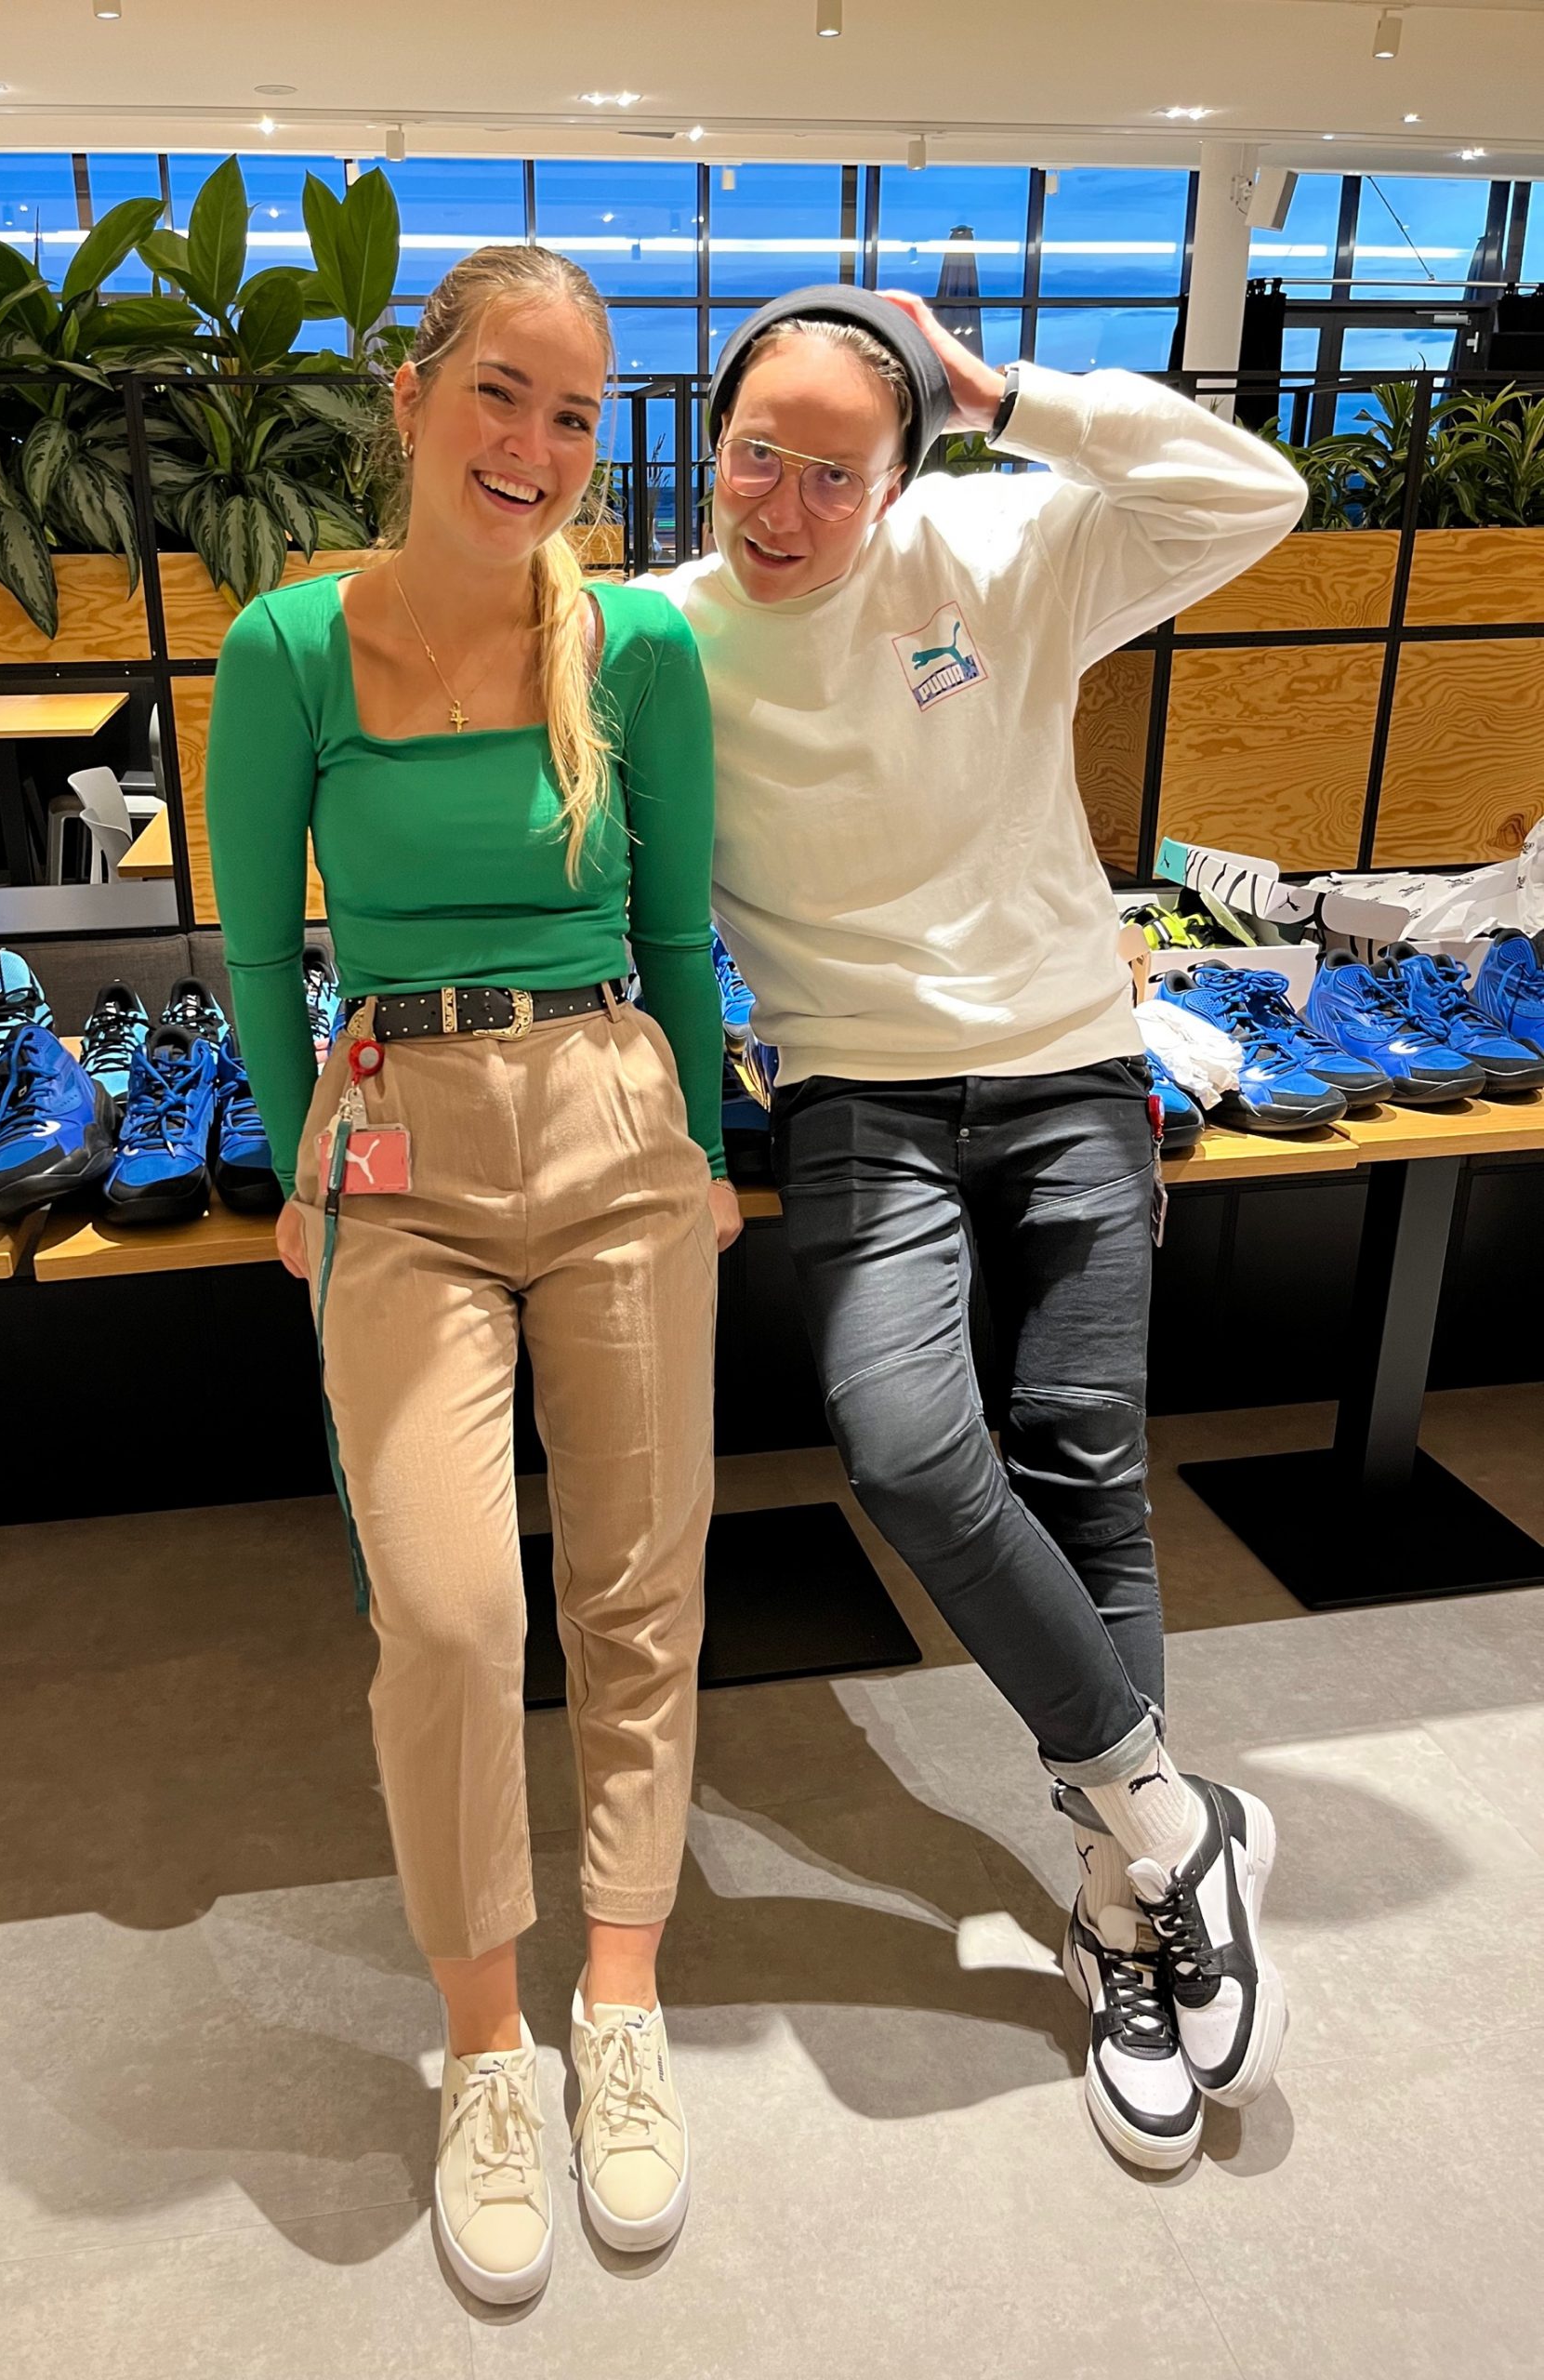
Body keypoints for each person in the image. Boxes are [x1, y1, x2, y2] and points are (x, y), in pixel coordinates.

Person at [653, 285, 1308, 2173]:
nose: (779, 504)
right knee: (906, 1444)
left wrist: (1017, 396)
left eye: (830, 472)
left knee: (1087, 1459)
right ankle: (1169, 1816)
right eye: (753, 454)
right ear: (711, 441)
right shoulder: (666, 637)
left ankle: (1125, 1918)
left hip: (1071, 1063)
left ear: (901, 472)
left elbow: (1250, 495)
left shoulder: (994, 549)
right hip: (855, 1092)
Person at [206, 245, 740, 2303]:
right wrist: (296, 1170)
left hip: (613, 1112)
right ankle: (488, 2044)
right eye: (500, 393)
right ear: (412, 397)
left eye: (575, 413)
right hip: (397, 1143)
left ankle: (621, 1998)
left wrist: (702, 1156)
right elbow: (261, 949)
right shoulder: (288, 648)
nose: (535, 445)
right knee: (444, 1608)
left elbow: (676, 933)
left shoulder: (635, 645)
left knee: (639, 1584)